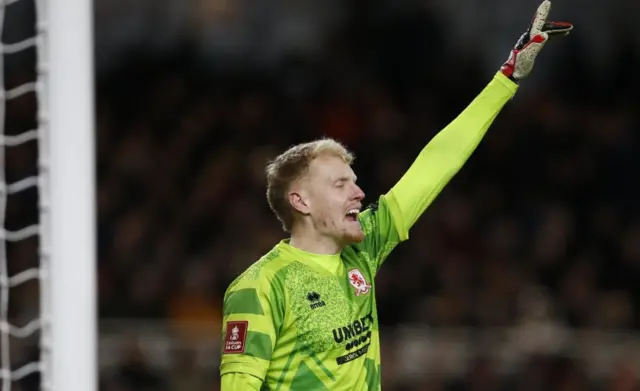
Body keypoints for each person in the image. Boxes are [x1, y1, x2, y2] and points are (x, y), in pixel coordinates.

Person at [219, 1, 572, 389]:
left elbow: (435, 164)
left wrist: (507, 78)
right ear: (301, 201)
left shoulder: (364, 247)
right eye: (340, 185)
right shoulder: (261, 287)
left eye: (353, 181)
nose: (359, 193)